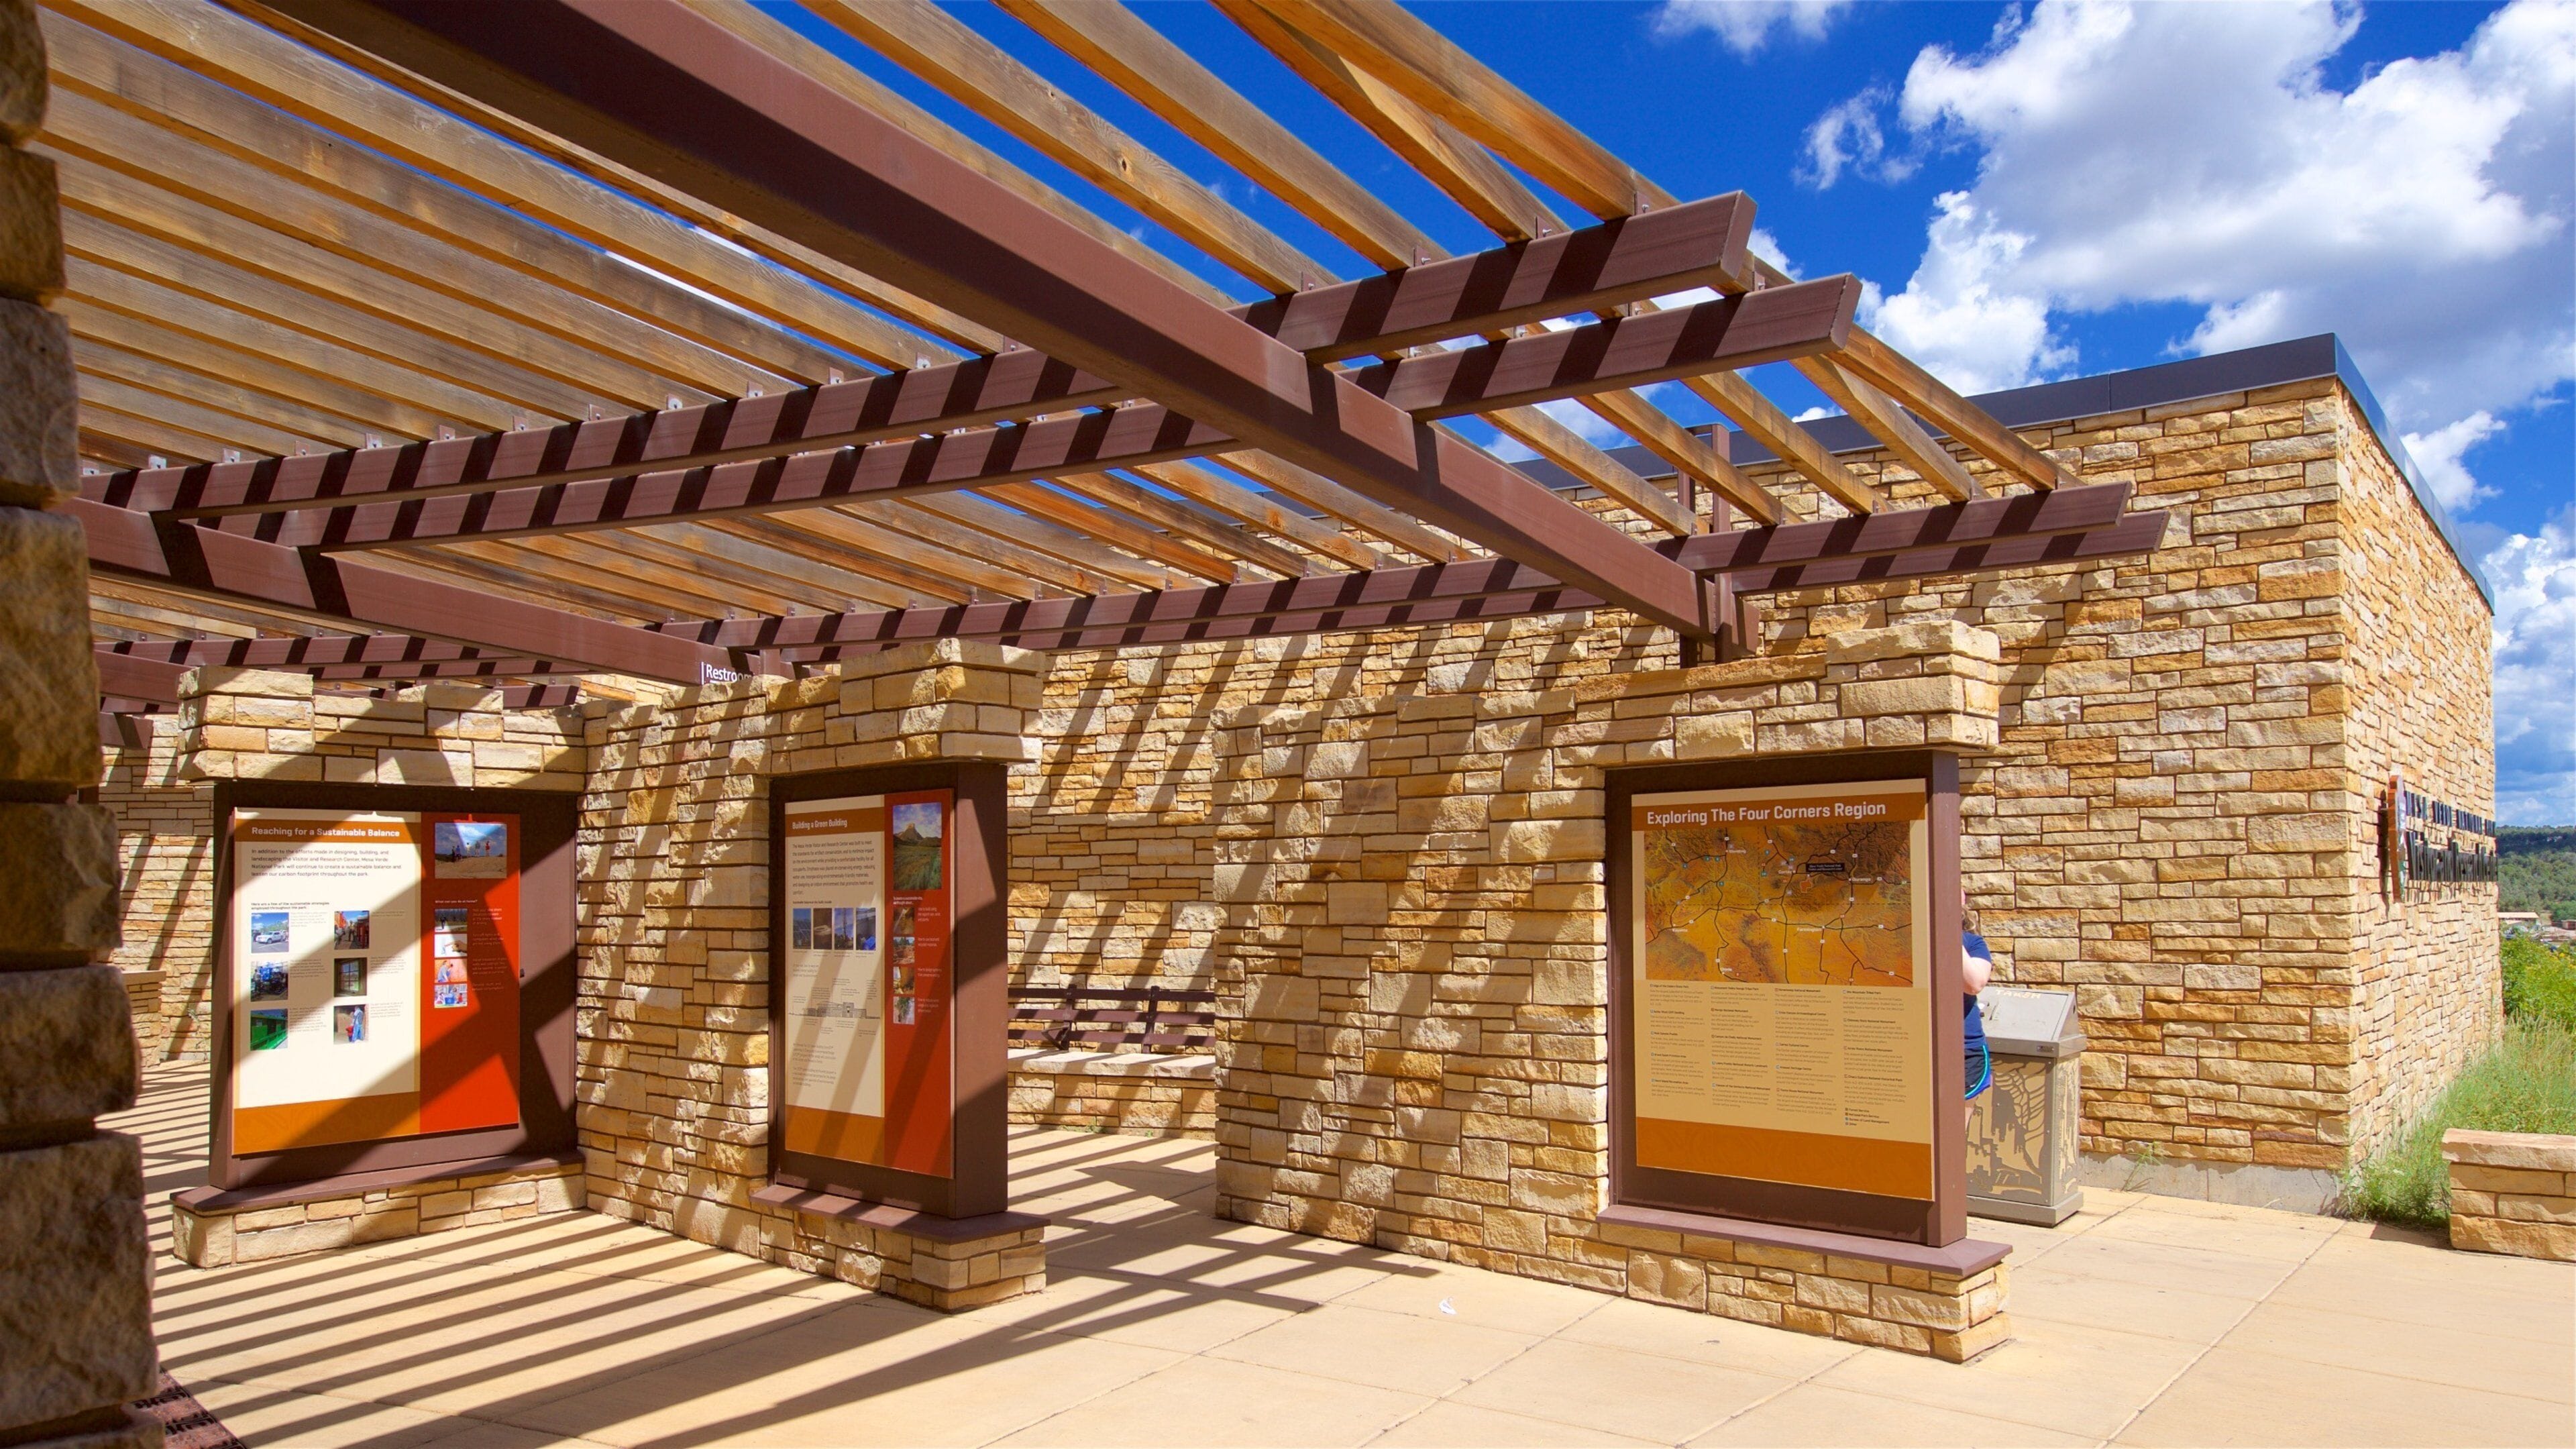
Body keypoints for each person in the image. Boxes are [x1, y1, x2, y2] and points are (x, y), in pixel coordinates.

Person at [1962, 888, 1994, 1118]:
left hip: (1964, 1050)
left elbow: (1973, 983)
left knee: (1951, 1136)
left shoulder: (1972, 944)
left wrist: (1946, 930)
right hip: (1913, 1048)